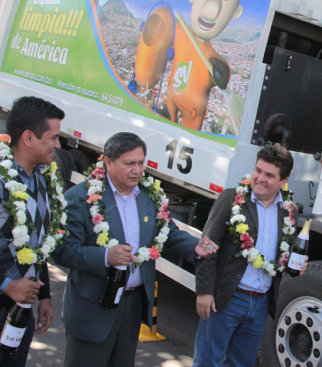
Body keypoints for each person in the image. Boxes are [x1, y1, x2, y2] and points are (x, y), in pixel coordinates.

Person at [52, 132, 218, 367]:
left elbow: (167, 232)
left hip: (131, 306)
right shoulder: (80, 198)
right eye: (129, 163)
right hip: (93, 307)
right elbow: (62, 251)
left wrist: (196, 246)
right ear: (108, 162)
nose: (137, 170)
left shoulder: (149, 196)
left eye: (141, 163)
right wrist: (106, 256)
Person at [193, 143, 307, 367]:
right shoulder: (231, 199)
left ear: (284, 182)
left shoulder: (289, 211)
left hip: (260, 304)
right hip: (226, 299)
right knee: (208, 362)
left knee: (241, 364)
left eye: (269, 175)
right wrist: (204, 291)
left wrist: (295, 265)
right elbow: (208, 246)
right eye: (258, 171)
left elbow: (281, 256)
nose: (260, 178)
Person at [0, 96, 65, 366]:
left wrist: (45, 296)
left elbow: (38, 247)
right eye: (53, 137)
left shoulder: (43, 181)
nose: (58, 145)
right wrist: (7, 285)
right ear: (28, 137)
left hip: (20, 312)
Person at [166, 0, 242, 129]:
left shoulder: (211, 57)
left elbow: (222, 73)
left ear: (235, 13)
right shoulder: (181, 32)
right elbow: (168, 21)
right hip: (171, 98)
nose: (210, 10)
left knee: (189, 137)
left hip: (192, 111)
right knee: (167, 122)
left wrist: (221, 70)